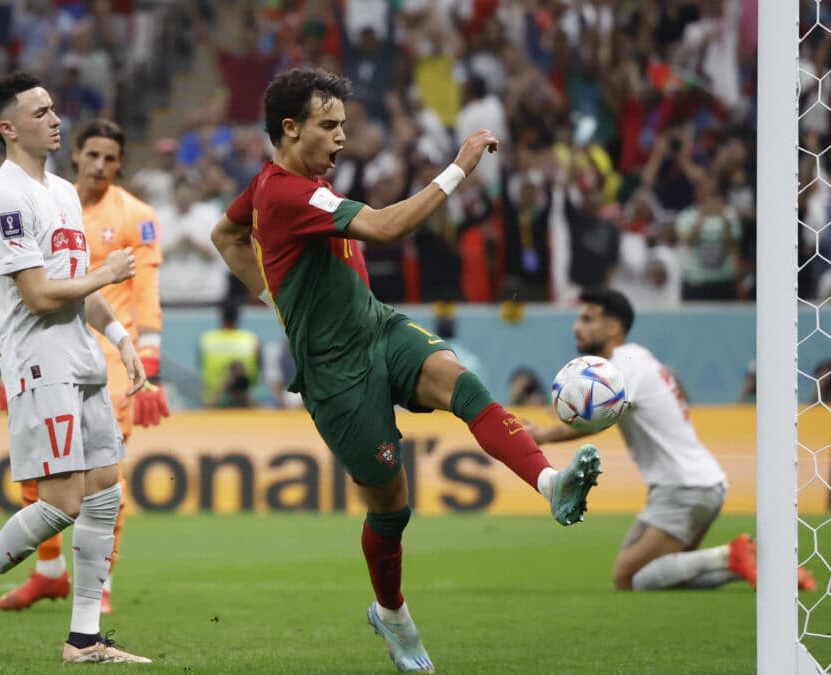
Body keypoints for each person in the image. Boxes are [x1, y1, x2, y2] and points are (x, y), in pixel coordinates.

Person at [209, 67, 602, 673]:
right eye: (328, 126)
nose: (342, 138)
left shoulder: (271, 186)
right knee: (392, 509)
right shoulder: (287, 193)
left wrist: (272, 295)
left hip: (377, 326)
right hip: (335, 374)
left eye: (344, 125)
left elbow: (226, 233)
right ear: (289, 130)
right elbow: (387, 228)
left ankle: (552, 486)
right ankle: (391, 614)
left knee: (464, 386)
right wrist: (460, 167)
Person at [0, 72, 152, 665]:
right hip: (38, 363)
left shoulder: (60, 190)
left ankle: (83, 640)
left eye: (54, 110)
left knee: (105, 494)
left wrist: (120, 334)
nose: (56, 119)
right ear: (10, 127)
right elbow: (38, 294)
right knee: (60, 503)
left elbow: (76, 285)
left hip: (81, 356)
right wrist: (107, 275)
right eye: (42, 111)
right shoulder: (6, 197)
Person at [527, 288, 816, 593]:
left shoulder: (624, 366)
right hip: (697, 483)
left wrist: (544, 435)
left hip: (683, 488)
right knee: (659, 576)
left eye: (587, 318)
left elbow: (600, 420)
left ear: (614, 327)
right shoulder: (636, 359)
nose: (577, 326)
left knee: (627, 578)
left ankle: (732, 555)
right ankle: (767, 570)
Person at [0, 118, 169, 615]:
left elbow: (146, 291)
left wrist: (149, 365)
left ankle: (101, 581)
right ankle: (49, 574)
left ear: (120, 163)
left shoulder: (138, 215)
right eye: (92, 155)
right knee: (37, 469)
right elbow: (23, 284)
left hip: (113, 359)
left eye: (110, 158)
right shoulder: (53, 205)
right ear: (76, 154)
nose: (100, 166)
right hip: (49, 348)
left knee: (104, 477)